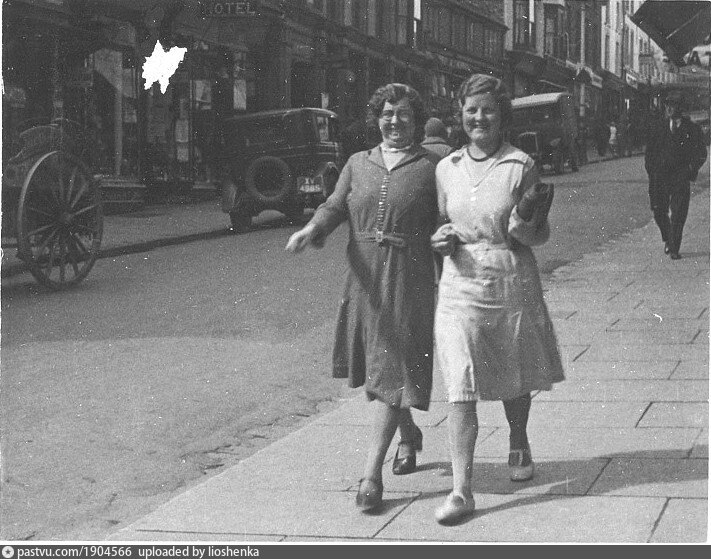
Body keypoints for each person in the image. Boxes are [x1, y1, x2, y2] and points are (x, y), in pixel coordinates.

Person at [285, 83, 440, 511]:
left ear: (417, 120)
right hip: (366, 279)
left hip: (409, 279)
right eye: (387, 113)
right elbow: (336, 205)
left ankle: (371, 475)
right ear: (377, 118)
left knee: (394, 367)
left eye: (404, 114)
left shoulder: (433, 165)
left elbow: (450, 216)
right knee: (381, 368)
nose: (394, 121)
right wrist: (312, 229)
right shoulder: (358, 162)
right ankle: (408, 435)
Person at [429, 74, 565, 525]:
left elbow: (537, 233)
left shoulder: (520, 165)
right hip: (459, 284)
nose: (479, 118)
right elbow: (441, 221)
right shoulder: (445, 168)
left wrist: (526, 225)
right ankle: (461, 490)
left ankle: (519, 437)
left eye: (487, 109)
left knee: (513, 367)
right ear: (461, 114)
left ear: (501, 114)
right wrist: (441, 238)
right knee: (460, 382)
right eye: (471, 109)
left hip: (508, 276)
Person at [644, 93, 707, 260]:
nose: (669, 108)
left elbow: (701, 152)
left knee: (678, 213)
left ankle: (674, 247)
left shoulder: (692, 129)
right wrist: (651, 170)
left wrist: (690, 169)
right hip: (660, 176)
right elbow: (649, 152)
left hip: (680, 176)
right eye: (667, 105)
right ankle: (668, 237)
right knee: (658, 210)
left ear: (681, 108)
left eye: (673, 105)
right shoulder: (658, 127)